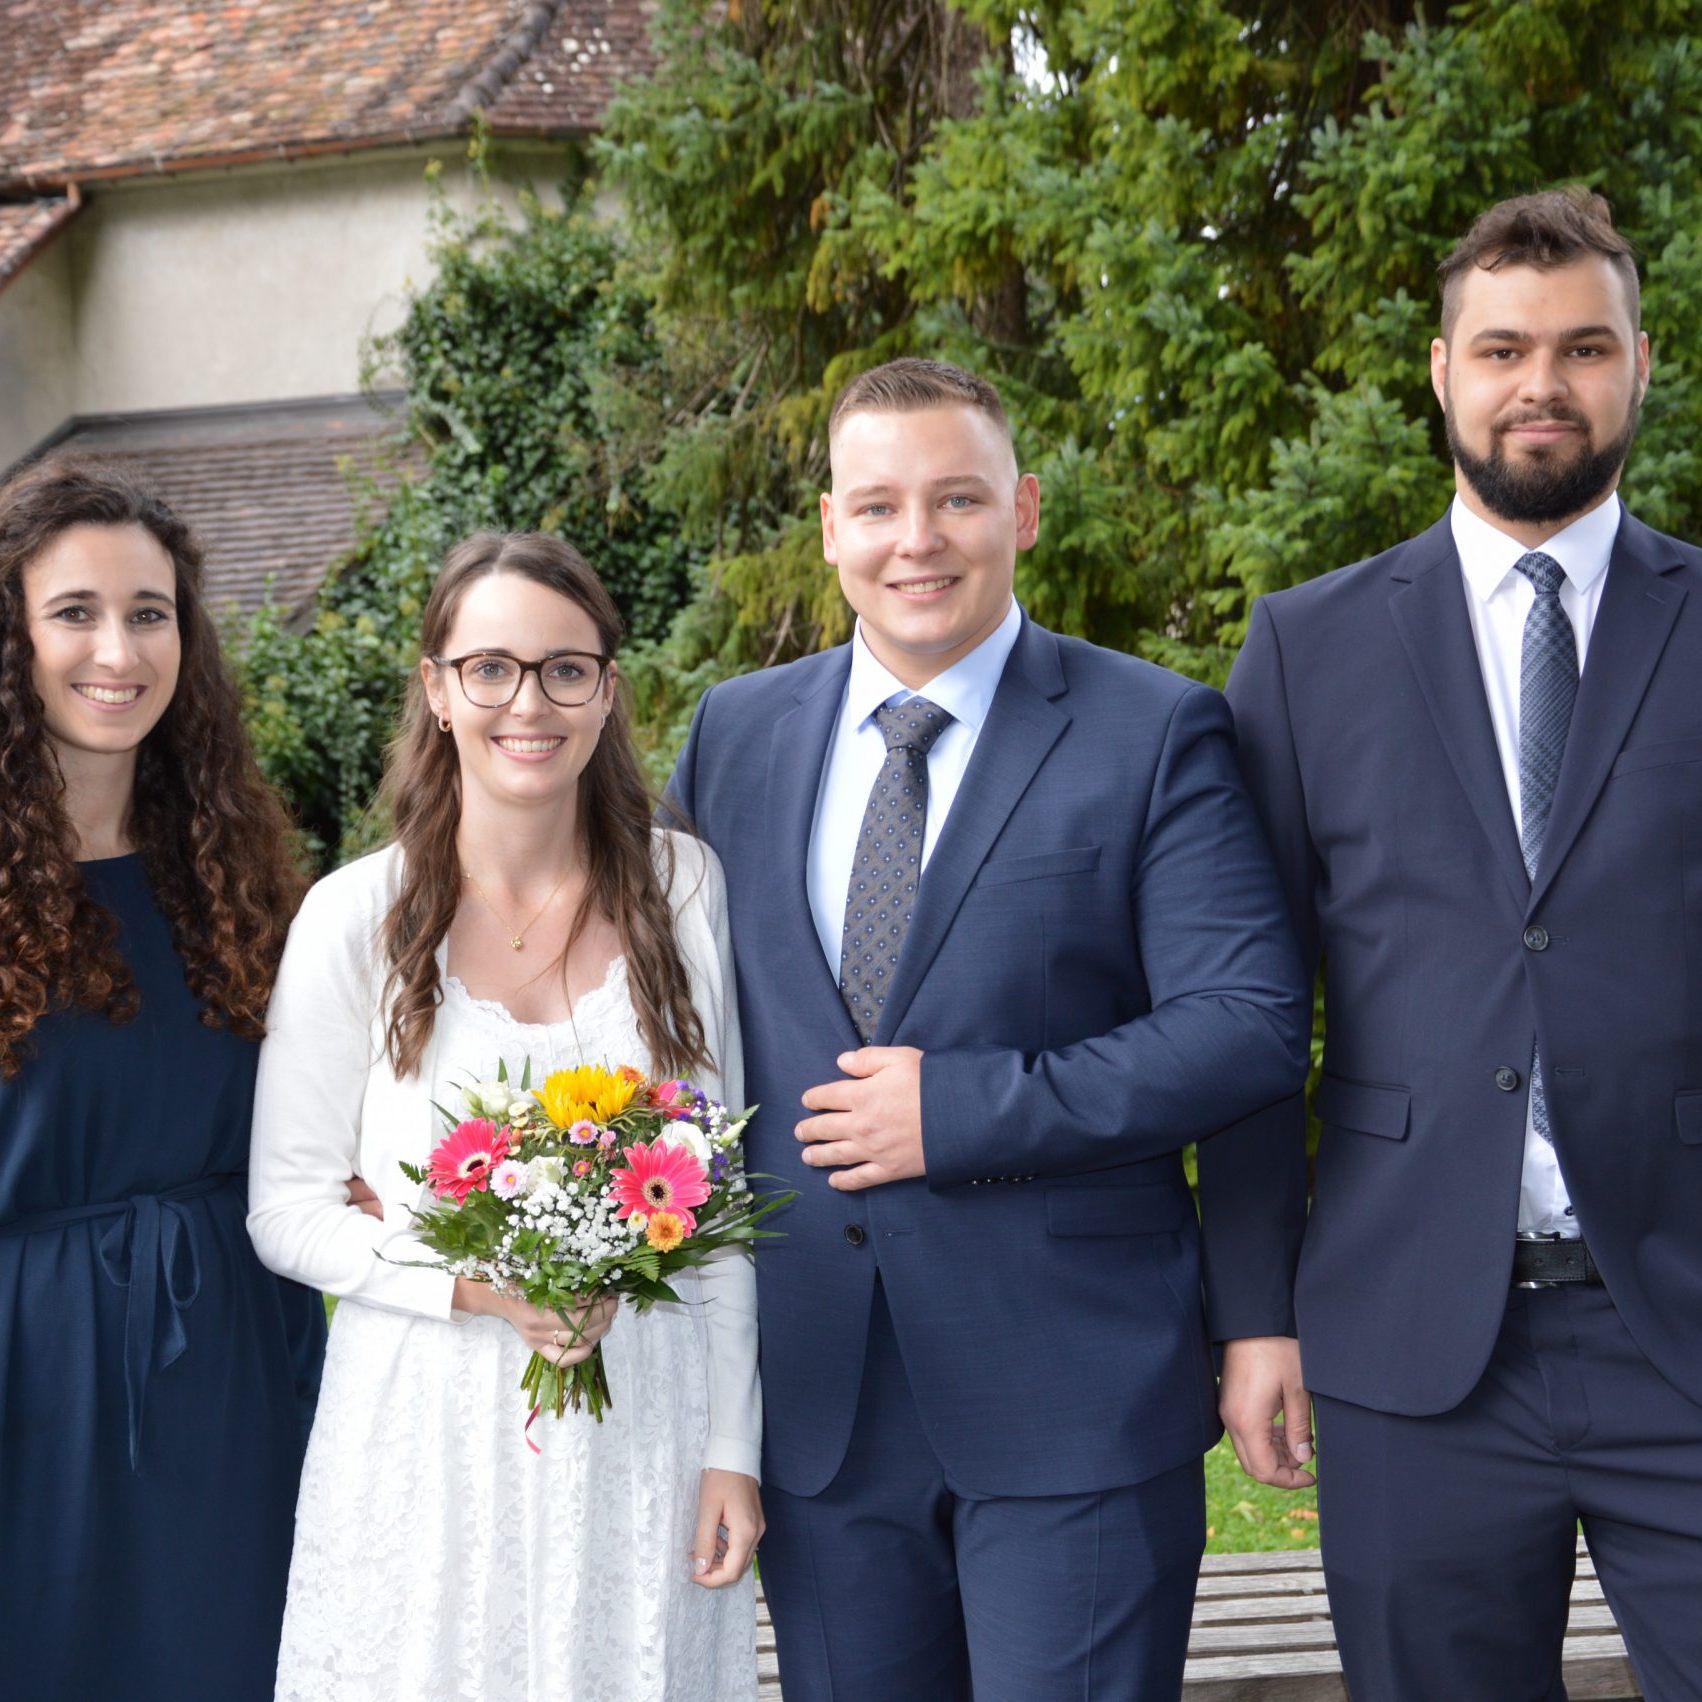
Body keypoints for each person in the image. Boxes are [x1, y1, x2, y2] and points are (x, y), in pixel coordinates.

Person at [667, 357, 1310, 1699]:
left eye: (954, 499)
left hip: (1069, 1384)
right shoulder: (732, 736)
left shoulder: (1151, 729)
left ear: (1019, 511)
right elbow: (657, 1018)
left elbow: (1242, 1025)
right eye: (878, 505)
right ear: (830, 526)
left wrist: (957, 1108)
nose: (916, 540)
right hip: (817, 1401)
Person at [1201, 188, 1702, 1700]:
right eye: (1500, 349)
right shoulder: (1306, 647)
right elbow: (1245, 1013)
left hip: (1678, 1319)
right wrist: (1253, 1315)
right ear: (1439, 370)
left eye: (1579, 347)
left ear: (1637, 363)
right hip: (1411, 1335)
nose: (1537, 384)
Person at [247, 532, 761, 1702]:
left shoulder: (685, 889)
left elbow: (717, 1196)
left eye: (564, 668)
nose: (527, 702)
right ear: (436, 687)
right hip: (426, 1427)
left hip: (648, 1417)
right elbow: (284, 1212)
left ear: (607, 689)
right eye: (490, 668)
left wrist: (734, 1447)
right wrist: (477, 1282)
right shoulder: (352, 919)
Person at [0, 456, 326, 1700]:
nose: (117, 651)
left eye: (149, 612)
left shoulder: (238, 879)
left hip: (231, 1371)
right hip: (28, 1386)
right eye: (73, 612)